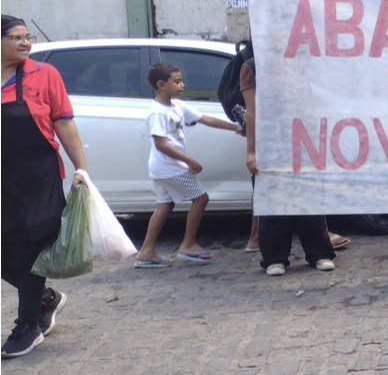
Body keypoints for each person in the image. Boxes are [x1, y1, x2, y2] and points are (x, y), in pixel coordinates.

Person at [1, 15, 87, 358]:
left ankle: (28, 325)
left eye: (28, 37)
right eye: (16, 37)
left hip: (38, 176)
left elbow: (63, 123)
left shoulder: (44, 74)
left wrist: (82, 168)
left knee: (29, 247)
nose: (25, 43)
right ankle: (45, 298)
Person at [135, 62, 243, 266]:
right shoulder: (158, 112)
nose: (182, 85)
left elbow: (205, 119)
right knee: (201, 199)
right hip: (171, 167)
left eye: (181, 80)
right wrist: (188, 160)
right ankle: (188, 244)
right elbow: (160, 144)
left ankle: (146, 252)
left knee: (164, 206)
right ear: (161, 85)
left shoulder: (177, 106)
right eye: (176, 81)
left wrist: (236, 127)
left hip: (162, 168)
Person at [241, 49, 336, 276]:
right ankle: (274, 258)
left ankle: (319, 253)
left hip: (303, 139)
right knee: (273, 200)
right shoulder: (252, 67)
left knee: (309, 196)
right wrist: (252, 151)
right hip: (271, 142)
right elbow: (251, 112)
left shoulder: (302, 62)